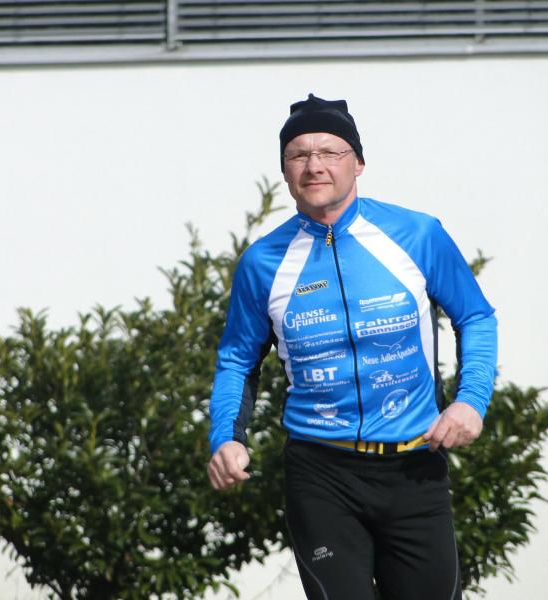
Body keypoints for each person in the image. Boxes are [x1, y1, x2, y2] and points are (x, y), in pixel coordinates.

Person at [207, 93, 497, 600]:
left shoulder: (417, 234)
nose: (314, 165)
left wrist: (471, 400)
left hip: (414, 466)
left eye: (330, 151)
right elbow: (237, 361)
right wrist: (225, 438)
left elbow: (476, 317)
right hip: (321, 474)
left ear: (358, 162)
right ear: (284, 170)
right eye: (299, 155)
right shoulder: (263, 262)